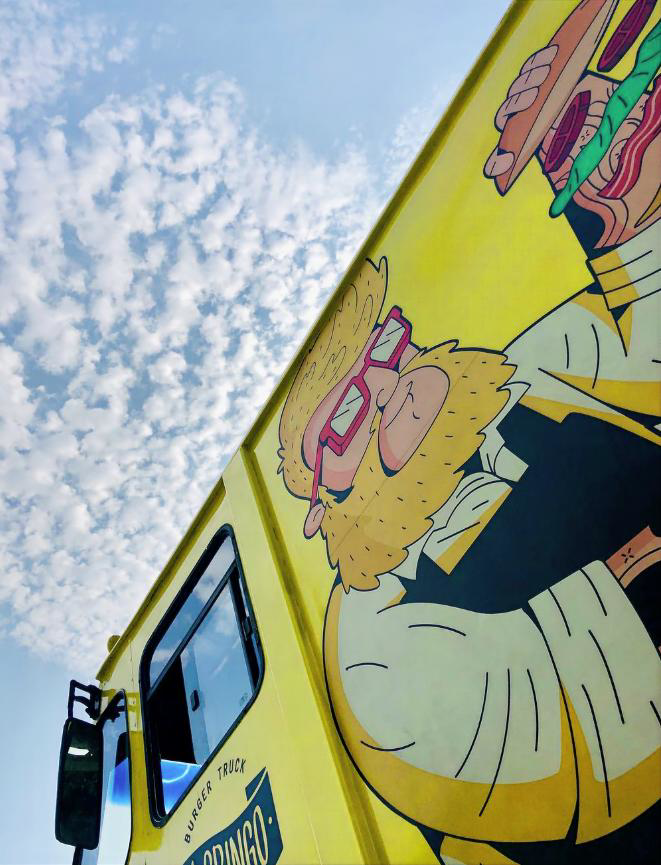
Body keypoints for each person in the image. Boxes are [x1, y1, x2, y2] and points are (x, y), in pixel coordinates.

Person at [276, 3, 660, 859]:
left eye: (387, 351)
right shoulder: (367, 645)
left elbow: (645, 334)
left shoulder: (529, 372)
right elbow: (573, 742)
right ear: (329, 504)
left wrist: (619, 207)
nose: (392, 388)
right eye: (349, 416)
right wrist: (631, 563)